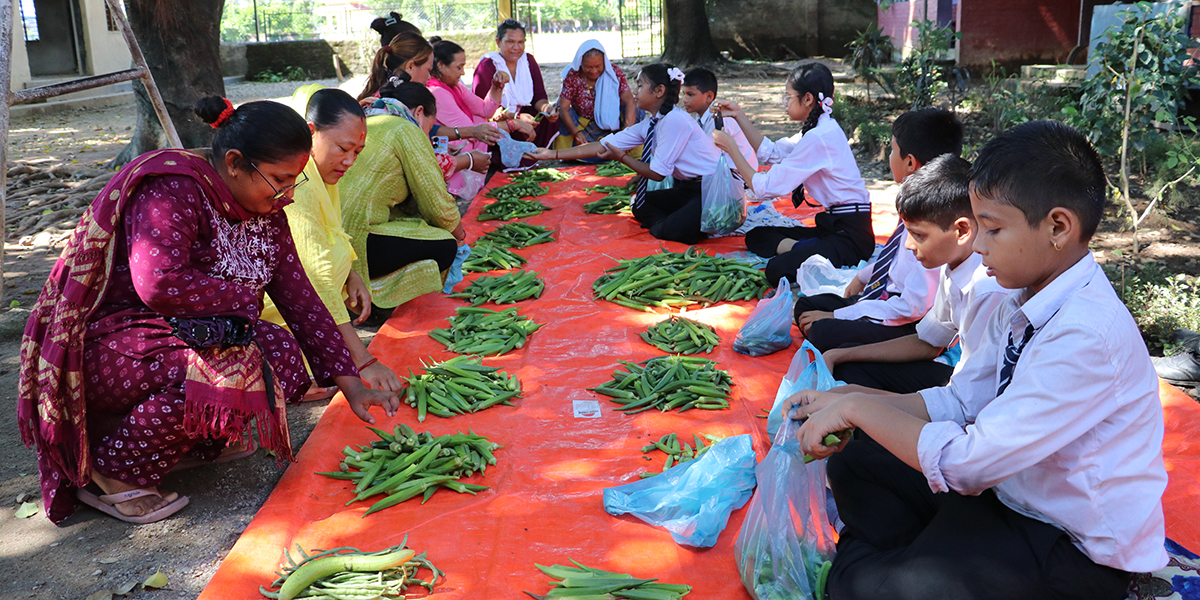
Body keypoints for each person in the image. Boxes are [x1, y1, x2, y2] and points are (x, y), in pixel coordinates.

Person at [788, 120, 1167, 599]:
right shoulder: (1024, 295)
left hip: (1068, 544)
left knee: (866, 585)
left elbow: (967, 466)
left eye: (992, 229)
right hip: (1008, 497)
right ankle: (911, 561)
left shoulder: (1085, 335)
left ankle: (899, 566)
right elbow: (962, 402)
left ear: (1057, 227)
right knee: (856, 465)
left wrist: (857, 408)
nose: (980, 246)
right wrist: (849, 396)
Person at [17, 97, 400, 525]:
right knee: (227, 370)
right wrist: (243, 300)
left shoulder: (267, 207)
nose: (288, 195)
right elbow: (158, 282)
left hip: (188, 331)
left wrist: (354, 386)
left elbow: (301, 300)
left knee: (281, 354)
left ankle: (194, 443)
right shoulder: (172, 188)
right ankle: (112, 471)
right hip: (114, 342)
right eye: (279, 180)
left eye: (295, 182)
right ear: (234, 163)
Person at [260, 86, 403, 399]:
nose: (350, 160)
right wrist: (363, 361)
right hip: (274, 312)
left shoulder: (321, 175)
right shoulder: (298, 182)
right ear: (311, 133)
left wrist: (351, 275)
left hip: (310, 302)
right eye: (343, 148)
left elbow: (331, 232)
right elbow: (316, 275)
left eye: (358, 152)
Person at [819, 154, 1006, 393]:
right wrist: (841, 355)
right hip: (966, 387)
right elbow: (928, 342)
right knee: (849, 368)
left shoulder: (986, 289)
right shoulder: (953, 268)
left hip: (976, 397)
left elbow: (971, 397)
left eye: (918, 235)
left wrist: (859, 403)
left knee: (853, 390)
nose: (908, 245)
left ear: (961, 231)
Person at [791, 108, 965, 351]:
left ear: (910, 162)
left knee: (823, 330)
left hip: (906, 320)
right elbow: (895, 259)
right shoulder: (916, 204)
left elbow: (912, 307)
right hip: (885, 297)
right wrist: (863, 277)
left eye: (892, 150)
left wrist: (843, 315)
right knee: (807, 307)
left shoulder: (935, 227)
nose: (888, 156)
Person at [712, 62, 873, 284]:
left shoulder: (819, 137)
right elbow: (771, 152)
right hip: (832, 226)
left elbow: (764, 187)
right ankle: (806, 249)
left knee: (776, 269)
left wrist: (732, 148)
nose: (784, 103)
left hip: (850, 236)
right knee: (757, 236)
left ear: (807, 99)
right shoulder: (817, 130)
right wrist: (738, 115)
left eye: (788, 97)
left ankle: (809, 250)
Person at [526, 63, 721, 245]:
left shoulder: (674, 121)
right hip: (686, 188)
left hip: (711, 190)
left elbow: (657, 173)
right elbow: (603, 146)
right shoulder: (652, 123)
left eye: (640, 85)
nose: (634, 92)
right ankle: (682, 221)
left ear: (659, 91)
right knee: (640, 204)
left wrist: (622, 157)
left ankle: (684, 223)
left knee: (673, 230)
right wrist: (551, 154)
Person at [340, 82, 465, 312]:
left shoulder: (370, 119)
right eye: (430, 125)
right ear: (419, 112)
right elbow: (435, 202)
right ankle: (376, 297)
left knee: (413, 226)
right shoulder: (406, 129)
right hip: (358, 238)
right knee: (445, 245)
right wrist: (460, 235)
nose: (427, 133)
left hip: (335, 235)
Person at [425, 37, 506, 200]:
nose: (462, 72)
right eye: (459, 67)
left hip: (447, 139)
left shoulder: (454, 87)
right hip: (438, 145)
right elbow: (470, 129)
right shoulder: (437, 92)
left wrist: (496, 87)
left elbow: (485, 110)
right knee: (474, 133)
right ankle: (454, 188)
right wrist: (512, 125)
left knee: (480, 121)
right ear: (441, 66)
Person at [472, 19, 557, 147]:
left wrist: (547, 109)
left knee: (550, 120)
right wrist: (516, 117)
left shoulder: (528, 61)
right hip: (498, 121)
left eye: (520, 42)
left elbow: (539, 97)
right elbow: (486, 110)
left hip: (521, 115)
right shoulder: (488, 65)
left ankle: (535, 152)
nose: (516, 48)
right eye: (510, 42)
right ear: (498, 42)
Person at [554, 40, 637, 151]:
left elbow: (629, 100)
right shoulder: (573, 76)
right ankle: (565, 154)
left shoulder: (614, 73)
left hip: (614, 125)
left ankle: (630, 154)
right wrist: (576, 133)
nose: (593, 71)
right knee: (559, 113)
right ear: (580, 63)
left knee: (636, 110)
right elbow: (563, 108)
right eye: (588, 67)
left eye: (598, 66)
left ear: (604, 62)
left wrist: (627, 132)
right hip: (583, 125)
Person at [681, 68, 757, 171]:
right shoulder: (700, 117)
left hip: (738, 179)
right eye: (683, 94)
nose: (684, 100)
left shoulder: (718, 119)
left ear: (709, 96)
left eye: (690, 95)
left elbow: (708, 159)